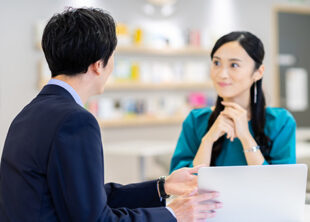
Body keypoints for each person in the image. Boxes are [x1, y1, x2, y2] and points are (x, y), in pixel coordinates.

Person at [0, 8, 222, 222]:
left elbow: (83, 199)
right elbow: (95, 218)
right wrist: (174, 215)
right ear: (99, 64)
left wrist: (162, 186)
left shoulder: (29, 114)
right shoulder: (76, 120)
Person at [170, 31, 296, 173]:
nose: (222, 74)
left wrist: (246, 137)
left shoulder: (280, 122)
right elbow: (181, 187)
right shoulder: (196, 120)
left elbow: (280, 186)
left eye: (234, 65)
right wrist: (208, 140)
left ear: (258, 72)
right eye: (216, 63)